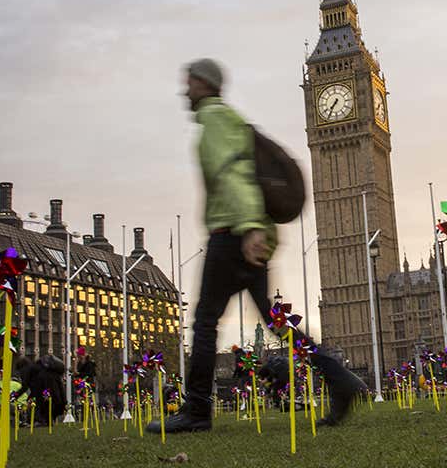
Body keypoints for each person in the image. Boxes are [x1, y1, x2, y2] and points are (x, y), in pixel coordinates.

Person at [148, 59, 365, 434]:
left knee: (204, 323)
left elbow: (234, 173)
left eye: (189, 82)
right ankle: (339, 379)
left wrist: (248, 226)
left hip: (234, 232)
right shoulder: (229, 119)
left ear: (205, 84)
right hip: (251, 232)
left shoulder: (215, 119)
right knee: (274, 321)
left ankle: (197, 409)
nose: (185, 90)